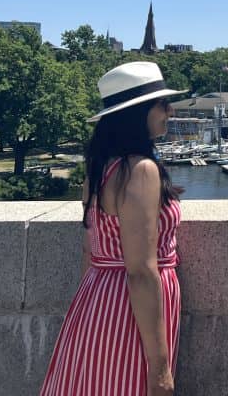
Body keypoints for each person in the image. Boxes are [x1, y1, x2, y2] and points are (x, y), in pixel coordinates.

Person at [41, 62, 187, 396]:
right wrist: (160, 367)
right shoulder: (141, 171)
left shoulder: (98, 170)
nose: (170, 110)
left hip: (97, 298)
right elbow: (140, 270)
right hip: (130, 312)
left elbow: (88, 251)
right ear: (139, 113)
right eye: (162, 104)